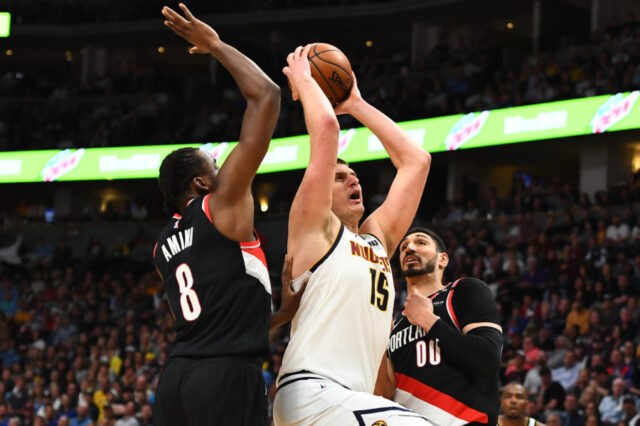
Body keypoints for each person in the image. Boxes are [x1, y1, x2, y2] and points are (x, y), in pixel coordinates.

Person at [152, 4, 299, 426]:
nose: (224, 169)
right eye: (213, 165)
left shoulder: (163, 245)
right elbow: (267, 95)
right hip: (226, 378)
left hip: (176, 379)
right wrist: (215, 45)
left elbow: (214, 322)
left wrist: (282, 314)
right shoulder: (218, 206)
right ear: (200, 184)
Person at [273, 45, 432, 425]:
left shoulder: (375, 240)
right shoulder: (314, 227)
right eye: (340, 177)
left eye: (355, 175)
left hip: (347, 402)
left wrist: (356, 103)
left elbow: (416, 161)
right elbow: (326, 129)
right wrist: (304, 79)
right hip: (312, 391)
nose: (353, 179)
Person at [376, 227, 503, 425]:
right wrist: (378, 346)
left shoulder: (463, 290)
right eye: (403, 247)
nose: (409, 248)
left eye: (421, 242)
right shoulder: (396, 324)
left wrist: (428, 320)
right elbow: (384, 395)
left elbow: (488, 359)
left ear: (443, 259)